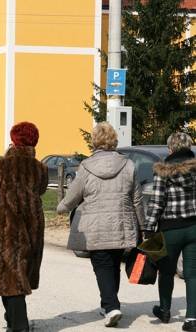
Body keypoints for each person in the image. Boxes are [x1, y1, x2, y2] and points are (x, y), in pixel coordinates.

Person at [57, 122, 144, 328]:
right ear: (114, 140)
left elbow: (73, 196)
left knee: (102, 265)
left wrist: (61, 208)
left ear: (95, 141)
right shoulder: (128, 165)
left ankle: (111, 306)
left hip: (95, 227)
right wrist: (142, 225)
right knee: (113, 263)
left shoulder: (86, 167)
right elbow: (138, 200)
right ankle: (110, 304)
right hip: (122, 224)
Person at [0, 122, 47, 332]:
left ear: (14, 140)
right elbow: (42, 190)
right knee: (19, 272)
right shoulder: (40, 168)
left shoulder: (2, 165)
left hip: (7, 224)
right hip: (33, 223)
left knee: (9, 274)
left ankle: (19, 325)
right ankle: (12, 319)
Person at [144, 132, 196, 332]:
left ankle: (165, 310)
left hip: (170, 229)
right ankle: (191, 318)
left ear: (170, 149)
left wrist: (149, 227)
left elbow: (157, 202)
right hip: (194, 227)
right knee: (192, 274)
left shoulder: (163, 170)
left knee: (166, 271)